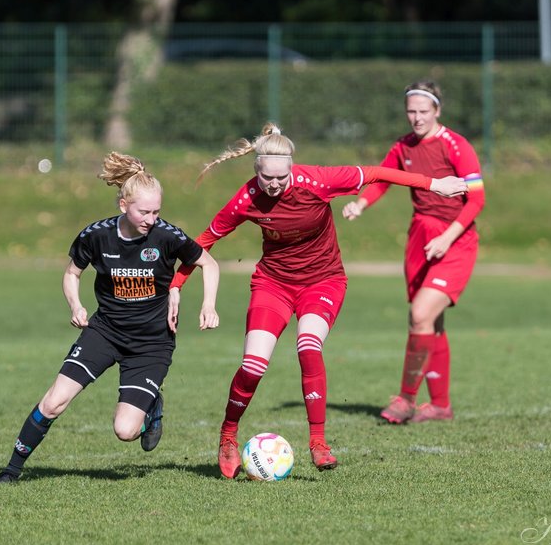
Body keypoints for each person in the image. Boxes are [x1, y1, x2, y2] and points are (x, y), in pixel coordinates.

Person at [169, 122, 468, 479]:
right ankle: (228, 434)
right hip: (273, 285)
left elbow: (375, 173)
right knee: (253, 365)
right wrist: (176, 286)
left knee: (308, 346)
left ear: (292, 168)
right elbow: (203, 242)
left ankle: (318, 442)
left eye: (282, 176)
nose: (275, 184)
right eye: (268, 178)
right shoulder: (246, 198)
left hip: (323, 281)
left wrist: (435, 184)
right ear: (256, 171)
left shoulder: (318, 181)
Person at [0, 152, 220, 483]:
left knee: (125, 431)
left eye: (157, 211)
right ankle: (11, 471)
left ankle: (152, 406)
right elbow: (72, 274)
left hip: (151, 343)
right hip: (105, 332)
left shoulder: (167, 236)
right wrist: (76, 305)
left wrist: (208, 305)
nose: (152, 219)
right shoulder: (96, 235)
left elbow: (208, 263)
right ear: (123, 205)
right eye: (144, 211)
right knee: (55, 401)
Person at [342, 79, 486, 425]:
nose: (417, 118)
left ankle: (407, 399)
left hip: (455, 240)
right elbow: (382, 179)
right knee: (430, 322)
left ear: (437, 110)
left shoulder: (456, 145)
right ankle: (440, 406)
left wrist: (448, 238)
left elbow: (477, 199)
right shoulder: (403, 146)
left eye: (424, 111)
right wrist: (361, 203)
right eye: (411, 111)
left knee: (420, 314)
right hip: (420, 238)